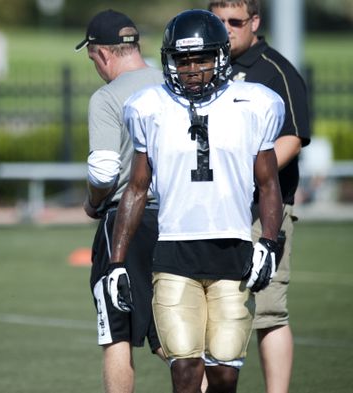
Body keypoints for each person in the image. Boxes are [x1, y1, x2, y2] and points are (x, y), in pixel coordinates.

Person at [106, 9, 285, 393]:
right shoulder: (149, 108)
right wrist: (117, 262)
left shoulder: (254, 103)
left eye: (200, 58)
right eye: (182, 60)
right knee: (184, 366)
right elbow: (137, 188)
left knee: (224, 370)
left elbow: (269, 183)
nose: (190, 69)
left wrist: (269, 242)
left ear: (219, 57)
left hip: (231, 249)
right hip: (173, 252)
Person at [208, 2, 311, 392]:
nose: (226, 30)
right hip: (212, 211)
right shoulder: (201, 66)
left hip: (261, 210)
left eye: (235, 22)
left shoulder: (275, 70)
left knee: (268, 312)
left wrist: (245, 178)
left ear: (255, 23)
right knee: (210, 309)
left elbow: (293, 137)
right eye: (218, 21)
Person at [75, 9, 164, 393]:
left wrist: (93, 202)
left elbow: (105, 172)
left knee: (117, 332)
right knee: (177, 337)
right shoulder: (171, 84)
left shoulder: (107, 97)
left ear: (103, 54)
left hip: (127, 223)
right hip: (178, 219)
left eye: (93, 57)